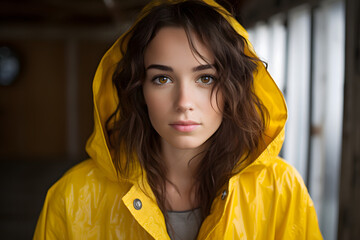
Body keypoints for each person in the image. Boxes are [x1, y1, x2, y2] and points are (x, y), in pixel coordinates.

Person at [33, 0, 323, 239]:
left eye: (206, 78)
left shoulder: (281, 190)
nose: (184, 102)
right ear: (139, 89)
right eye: (162, 79)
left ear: (232, 88)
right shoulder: (73, 197)